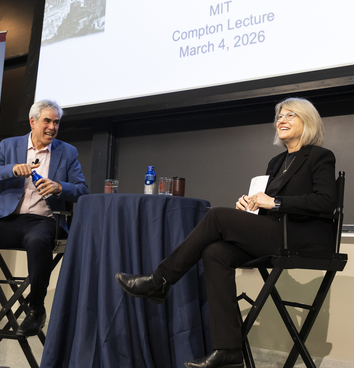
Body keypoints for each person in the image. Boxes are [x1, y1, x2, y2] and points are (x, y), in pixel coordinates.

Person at [115, 97, 337, 368]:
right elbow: (268, 210)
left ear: (308, 121)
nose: (281, 120)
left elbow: (326, 202)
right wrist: (251, 206)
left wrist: (275, 201)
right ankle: (228, 350)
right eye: (279, 116)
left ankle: (160, 280)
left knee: (218, 215)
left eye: (291, 115)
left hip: (303, 238)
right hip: (277, 232)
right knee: (215, 251)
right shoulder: (277, 162)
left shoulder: (319, 156)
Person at [0, 99, 88, 337]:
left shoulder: (67, 152)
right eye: (47, 121)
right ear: (33, 122)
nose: (52, 127)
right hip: (9, 219)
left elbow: (82, 189)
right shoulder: (9, 146)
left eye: (56, 122)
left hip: (44, 221)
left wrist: (58, 186)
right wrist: (11, 169)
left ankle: (36, 309)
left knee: (37, 241)